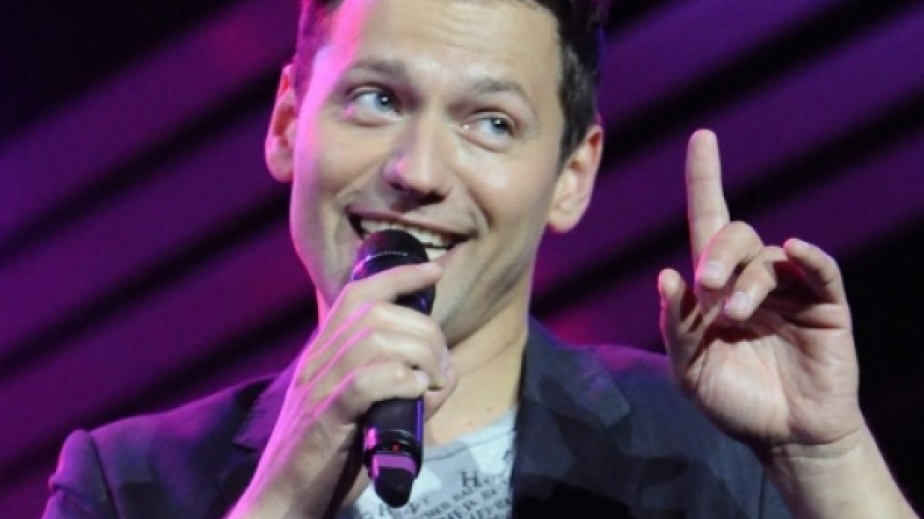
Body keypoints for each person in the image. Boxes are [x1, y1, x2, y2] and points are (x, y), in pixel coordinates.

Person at [43, 0, 918, 517]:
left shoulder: (708, 451)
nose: (418, 170)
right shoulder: (126, 483)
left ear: (573, 175)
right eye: (376, 99)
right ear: (287, 123)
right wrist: (283, 491)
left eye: (490, 122)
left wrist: (825, 456)